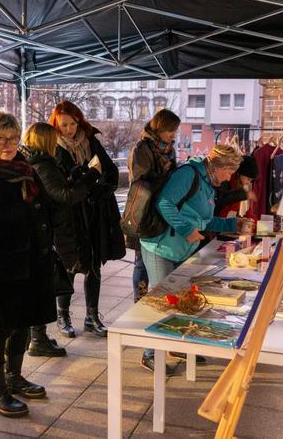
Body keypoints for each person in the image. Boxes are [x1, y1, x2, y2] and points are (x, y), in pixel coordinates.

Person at [0, 111, 58, 418]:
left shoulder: (27, 171)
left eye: (12, 138)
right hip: (2, 267)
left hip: (32, 263)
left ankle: (13, 377)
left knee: (22, 321)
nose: (7, 145)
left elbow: (46, 210)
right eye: (0, 138)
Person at [140, 145, 244, 366]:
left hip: (178, 249)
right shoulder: (189, 174)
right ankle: (150, 354)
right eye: (229, 172)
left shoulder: (208, 183)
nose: (229, 178)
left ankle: (176, 347)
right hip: (161, 247)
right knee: (161, 299)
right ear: (218, 167)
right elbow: (164, 203)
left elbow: (204, 220)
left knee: (180, 299)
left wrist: (234, 224)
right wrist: (187, 230)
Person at [19, 122, 102, 356]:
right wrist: (91, 176)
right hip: (53, 231)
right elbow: (64, 196)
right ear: (45, 141)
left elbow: (56, 189)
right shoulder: (42, 164)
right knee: (49, 284)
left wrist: (74, 174)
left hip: (50, 229)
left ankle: (39, 337)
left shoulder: (41, 162)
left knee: (45, 286)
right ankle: (38, 339)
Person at [48, 100, 126, 338]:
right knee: (69, 264)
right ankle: (63, 315)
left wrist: (98, 186)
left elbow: (110, 170)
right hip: (70, 216)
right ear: (56, 124)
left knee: (93, 264)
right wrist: (88, 177)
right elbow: (61, 184)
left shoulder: (89, 139)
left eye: (73, 123)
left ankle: (92, 316)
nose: (69, 129)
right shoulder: (54, 146)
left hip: (93, 212)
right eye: (64, 124)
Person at [125, 109, 180, 372]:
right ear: (159, 127)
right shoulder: (143, 147)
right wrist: (168, 175)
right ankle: (141, 310)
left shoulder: (167, 148)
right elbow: (141, 181)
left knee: (155, 273)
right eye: (170, 130)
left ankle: (157, 335)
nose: (173, 135)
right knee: (142, 267)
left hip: (161, 216)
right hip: (145, 215)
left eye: (174, 131)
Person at [215, 155, 259, 219]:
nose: (248, 182)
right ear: (239, 174)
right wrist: (244, 194)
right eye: (248, 179)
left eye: (251, 180)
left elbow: (245, 212)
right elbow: (221, 201)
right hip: (215, 223)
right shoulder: (225, 181)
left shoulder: (240, 186)